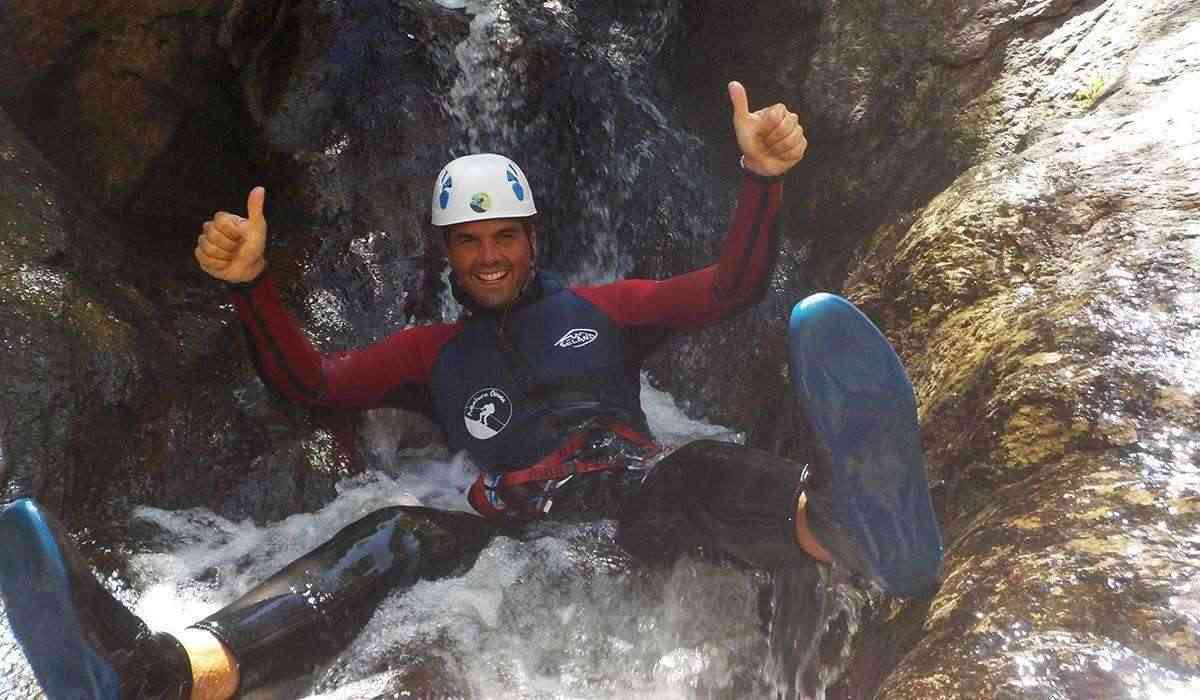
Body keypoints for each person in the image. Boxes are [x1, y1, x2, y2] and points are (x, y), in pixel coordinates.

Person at [0, 81, 942, 699]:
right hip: (517, 524)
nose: (489, 257)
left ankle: (850, 525)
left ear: (532, 241)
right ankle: (163, 675)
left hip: (626, 492)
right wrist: (253, 290)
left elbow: (729, 288)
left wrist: (760, 181)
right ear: (447, 252)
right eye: (469, 242)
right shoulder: (429, 354)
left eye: (505, 238)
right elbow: (310, 386)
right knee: (392, 534)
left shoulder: (606, 308)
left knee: (688, 475)